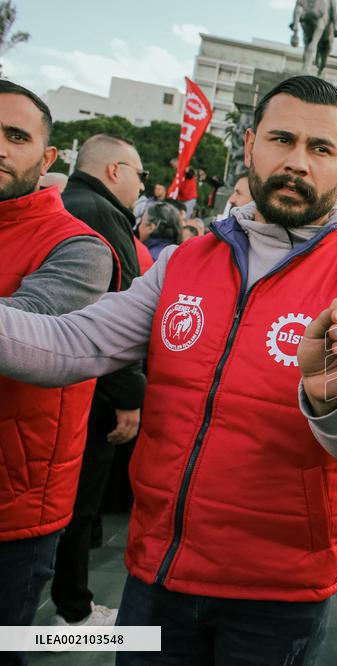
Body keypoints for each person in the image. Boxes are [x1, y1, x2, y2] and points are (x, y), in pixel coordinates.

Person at [0, 75, 337, 665]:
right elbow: (74, 342)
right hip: (156, 573)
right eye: (281, 139)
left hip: (278, 594)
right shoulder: (188, 260)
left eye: (319, 149)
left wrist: (329, 400)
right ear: (249, 147)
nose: (297, 162)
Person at [0, 80, 115, 666]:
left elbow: (34, 332)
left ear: (49, 160)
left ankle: (86, 622)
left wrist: (131, 398)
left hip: (16, 502)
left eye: (15, 136)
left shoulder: (79, 242)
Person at [54, 132, 150, 628]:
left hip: (50, 381)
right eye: (139, 173)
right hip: (83, 392)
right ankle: (74, 614)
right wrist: (130, 396)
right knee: (78, 505)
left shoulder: (59, 204)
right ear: (115, 170)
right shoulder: (103, 215)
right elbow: (121, 317)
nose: (141, 185)